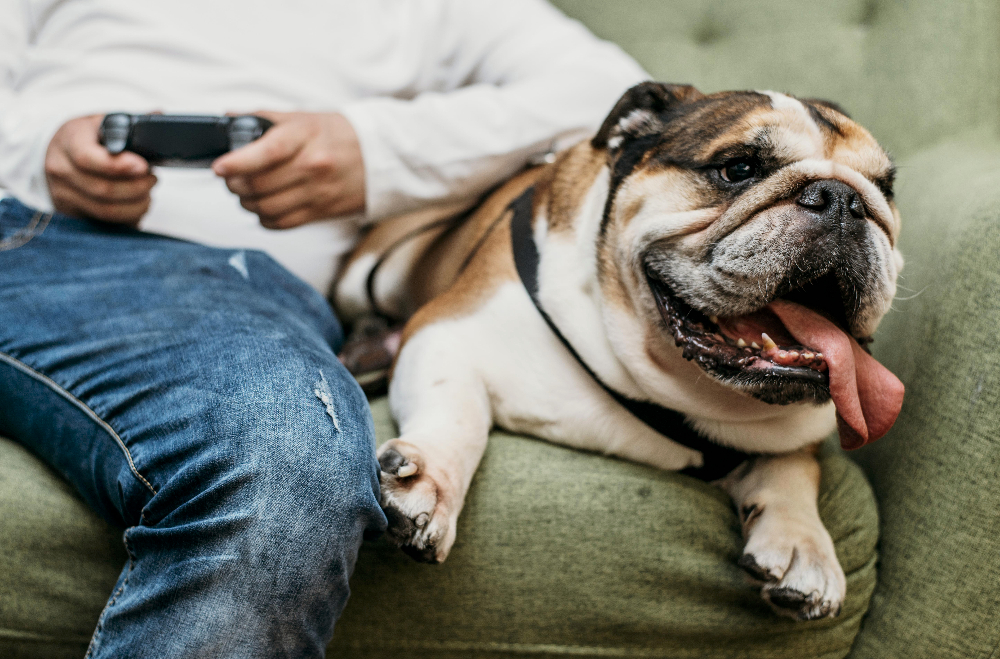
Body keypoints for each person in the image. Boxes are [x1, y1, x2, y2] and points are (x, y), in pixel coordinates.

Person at [0, 1, 647, 657]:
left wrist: (372, 153)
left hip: (234, 301)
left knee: (285, 449)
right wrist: (38, 151)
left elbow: (608, 93)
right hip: (20, 225)